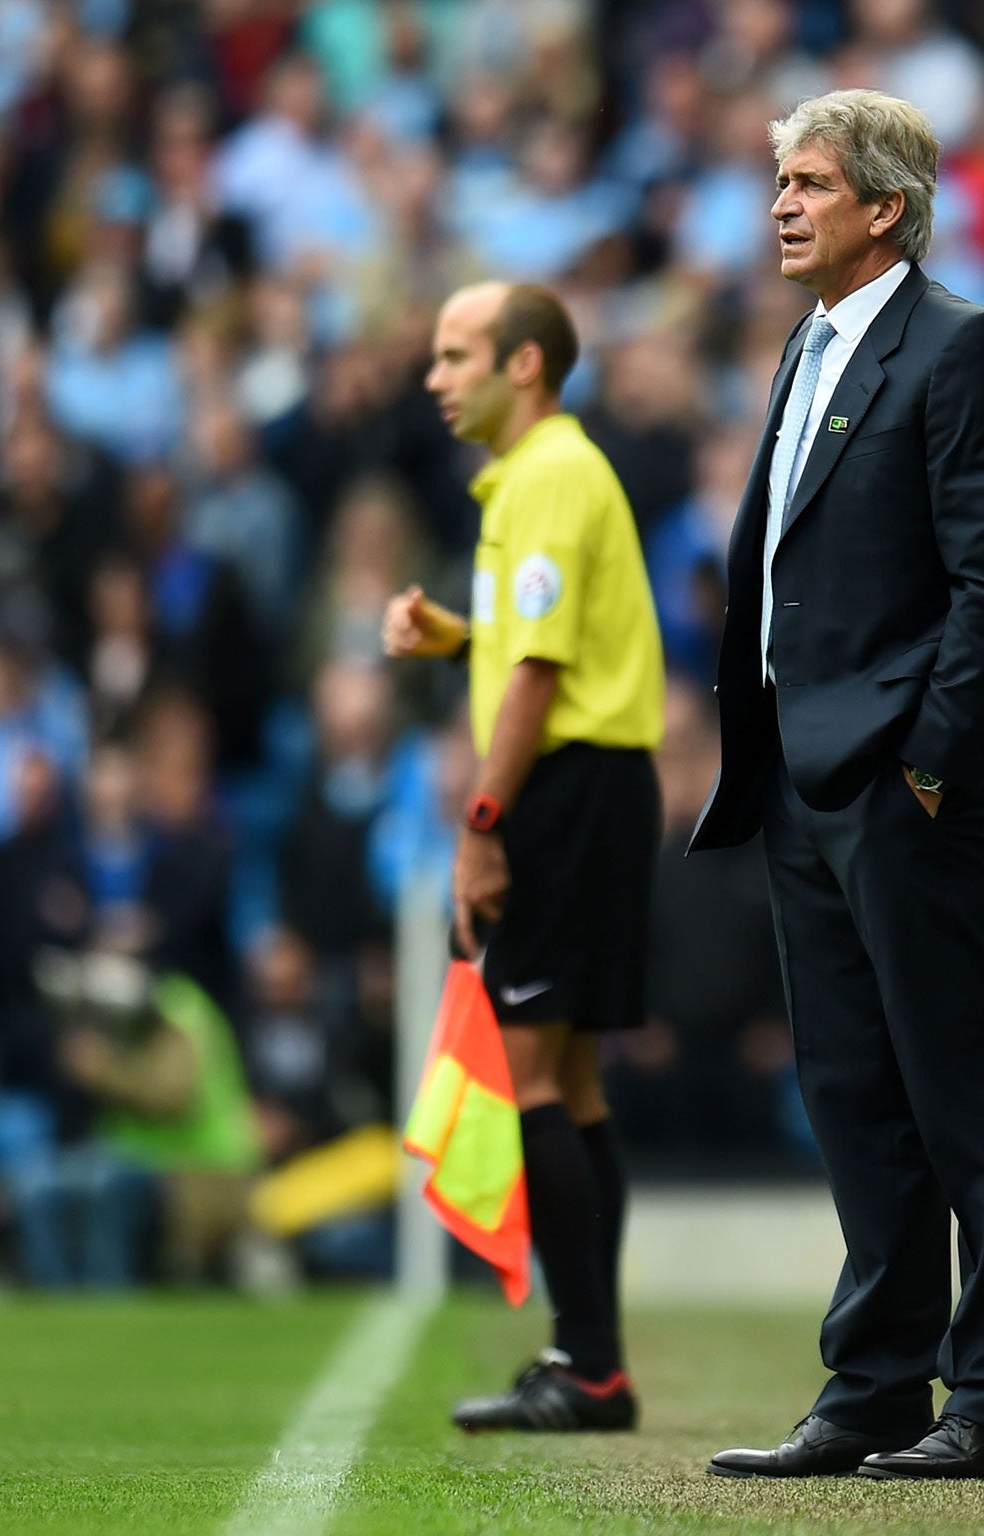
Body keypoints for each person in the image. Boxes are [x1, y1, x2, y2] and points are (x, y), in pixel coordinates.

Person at [692, 89, 984, 1482]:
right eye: (777, 182)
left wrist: (930, 764)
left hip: (903, 780)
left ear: (885, 208)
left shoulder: (968, 349)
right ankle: (877, 1383)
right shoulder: (810, 344)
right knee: (853, 1087)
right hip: (800, 772)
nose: (780, 205)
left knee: (961, 1085)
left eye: (807, 184)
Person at [382, 281, 663, 1433]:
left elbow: (542, 679)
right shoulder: (541, 479)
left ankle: (589, 1367)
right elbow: (535, 643)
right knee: (575, 1084)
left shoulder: (545, 479)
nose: (436, 378)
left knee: (536, 1077)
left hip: (567, 793)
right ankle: (591, 1359)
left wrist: (483, 822)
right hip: (598, 785)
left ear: (525, 366)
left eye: (457, 356)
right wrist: (462, 637)